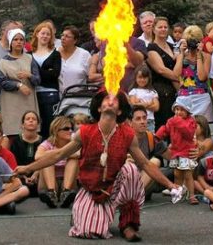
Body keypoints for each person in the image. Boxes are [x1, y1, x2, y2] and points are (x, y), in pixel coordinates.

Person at [16, 90, 184, 242]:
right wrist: (29, 168)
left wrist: (170, 184)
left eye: (115, 100)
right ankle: (81, 212)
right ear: (99, 108)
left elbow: (145, 164)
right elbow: (59, 154)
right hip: (93, 189)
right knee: (90, 232)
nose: (110, 101)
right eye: (106, 99)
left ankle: (128, 224)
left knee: (131, 169)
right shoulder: (85, 132)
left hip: (116, 186)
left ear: (119, 111)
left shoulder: (127, 134)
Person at [0, 28, 40, 138]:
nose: (18, 42)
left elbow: (37, 80)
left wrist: (29, 75)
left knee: (29, 131)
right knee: (12, 133)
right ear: (11, 43)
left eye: (21, 39)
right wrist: (18, 85)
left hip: (27, 101)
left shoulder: (30, 59)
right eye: (15, 39)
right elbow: (3, 82)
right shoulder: (3, 61)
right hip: (10, 102)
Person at [155, 98, 198, 204]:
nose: (178, 112)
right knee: (177, 174)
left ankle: (191, 195)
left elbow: (189, 134)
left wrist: (178, 121)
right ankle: (178, 193)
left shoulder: (190, 121)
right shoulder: (172, 120)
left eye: (182, 110)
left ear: (187, 111)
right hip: (176, 151)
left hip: (186, 152)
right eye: (177, 109)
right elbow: (166, 129)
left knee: (188, 174)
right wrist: (158, 136)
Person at [173, 25, 213, 124]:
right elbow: (176, 74)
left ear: (200, 41)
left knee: (203, 129)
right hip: (184, 98)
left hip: (202, 99)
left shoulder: (206, 56)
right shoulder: (181, 56)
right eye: (189, 40)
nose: (192, 43)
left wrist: (199, 55)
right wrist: (182, 53)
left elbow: (202, 77)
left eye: (194, 40)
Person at [36, 115, 79, 208]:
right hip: (49, 183)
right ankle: (51, 194)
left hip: (67, 183)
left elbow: (80, 154)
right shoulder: (47, 144)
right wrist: (57, 155)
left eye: (71, 128)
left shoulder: (74, 143)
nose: (70, 131)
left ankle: (66, 193)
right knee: (48, 160)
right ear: (56, 131)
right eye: (66, 129)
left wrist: (59, 155)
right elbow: (37, 157)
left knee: (73, 160)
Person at [146, 17, 180, 129]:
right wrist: (179, 78)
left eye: (165, 27)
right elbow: (161, 69)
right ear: (154, 29)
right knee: (164, 125)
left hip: (176, 90)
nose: (163, 29)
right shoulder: (151, 48)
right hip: (161, 90)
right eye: (160, 27)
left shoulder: (172, 46)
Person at [129, 106, 170, 196]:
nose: (143, 122)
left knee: (157, 163)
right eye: (138, 119)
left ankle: (135, 195)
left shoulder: (151, 137)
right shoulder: (123, 138)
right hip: (125, 181)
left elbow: (171, 156)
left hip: (144, 181)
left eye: (144, 118)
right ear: (130, 123)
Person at [30, 21, 62, 138]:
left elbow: (54, 75)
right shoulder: (29, 54)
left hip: (50, 94)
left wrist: (34, 75)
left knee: (50, 126)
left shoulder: (55, 54)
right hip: (33, 95)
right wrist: (45, 72)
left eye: (48, 34)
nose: (45, 36)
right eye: (43, 33)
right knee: (35, 126)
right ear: (37, 34)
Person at [57, 25, 92, 113]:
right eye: (62, 35)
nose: (63, 38)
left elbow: (90, 76)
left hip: (78, 99)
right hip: (58, 99)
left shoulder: (84, 55)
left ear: (75, 40)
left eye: (67, 36)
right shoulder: (55, 53)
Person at [8, 110, 43, 196]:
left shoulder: (43, 141)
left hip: (38, 176)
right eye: (28, 119)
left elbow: (45, 161)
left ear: (38, 124)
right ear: (23, 124)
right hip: (20, 176)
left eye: (34, 119)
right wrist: (24, 177)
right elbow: (13, 163)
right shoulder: (16, 141)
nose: (31, 120)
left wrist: (35, 174)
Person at [128, 64, 159, 132]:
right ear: (135, 78)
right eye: (140, 77)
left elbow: (156, 107)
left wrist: (140, 104)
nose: (142, 80)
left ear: (148, 78)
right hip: (137, 120)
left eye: (144, 78)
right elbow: (133, 105)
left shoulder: (152, 92)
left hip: (150, 121)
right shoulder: (133, 91)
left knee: (150, 139)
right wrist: (149, 104)